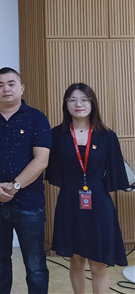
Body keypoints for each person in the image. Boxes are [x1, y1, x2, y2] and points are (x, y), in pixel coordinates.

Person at [0, 67, 51, 294]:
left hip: (29, 203)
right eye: (0, 85)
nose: (5, 88)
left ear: (22, 88)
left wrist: (15, 186)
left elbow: (41, 160)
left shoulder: (37, 118)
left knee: (35, 265)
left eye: (11, 83)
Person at [46, 83, 129, 294]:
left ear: (93, 103)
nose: (78, 104)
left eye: (84, 99)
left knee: (98, 264)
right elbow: (52, 170)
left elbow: (116, 172)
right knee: (75, 260)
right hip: (69, 202)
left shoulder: (107, 136)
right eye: (72, 100)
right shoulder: (56, 134)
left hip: (99, 203)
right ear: (66, 105)